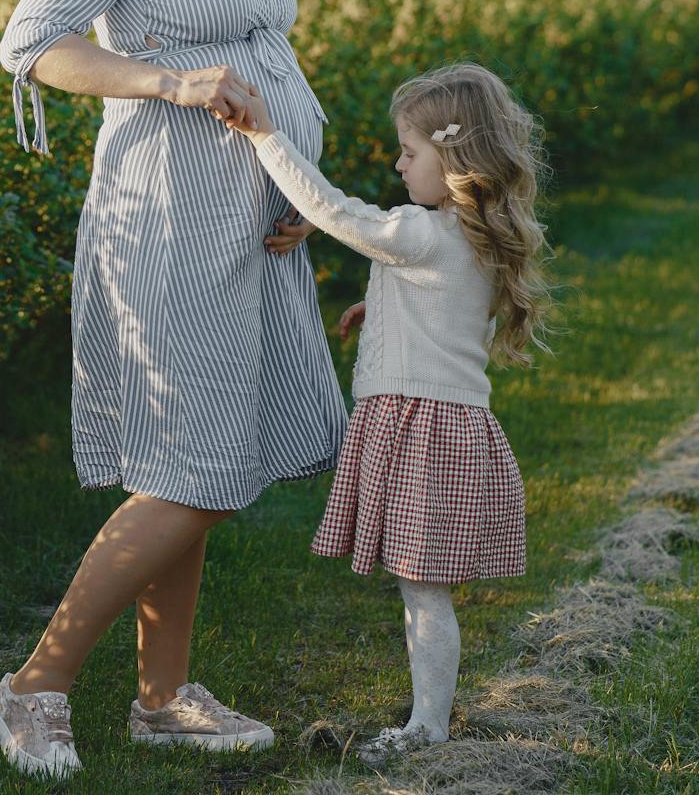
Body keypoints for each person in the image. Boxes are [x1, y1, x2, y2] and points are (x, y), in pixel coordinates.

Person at [0, 0, 402, 780]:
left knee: (199, 459)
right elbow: (32, 41)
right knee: (198, 471)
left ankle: (164, 695)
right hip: (167, 217)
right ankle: (34, 686)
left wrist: (298, 186)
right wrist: (169, 80)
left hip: (247, 225)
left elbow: (257, 56)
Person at [222, 60, 555, 766]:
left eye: (409, 151)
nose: (399, 165)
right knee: (421, 587)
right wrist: (386, 305)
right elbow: (446, 303)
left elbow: (343, 214)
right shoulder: (474, 236)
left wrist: (265, 138)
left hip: (419, 432)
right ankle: (427, 719)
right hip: (448, 430)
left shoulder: (420, 230)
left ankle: (429, 730)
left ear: (455, 157)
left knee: (424, 592)